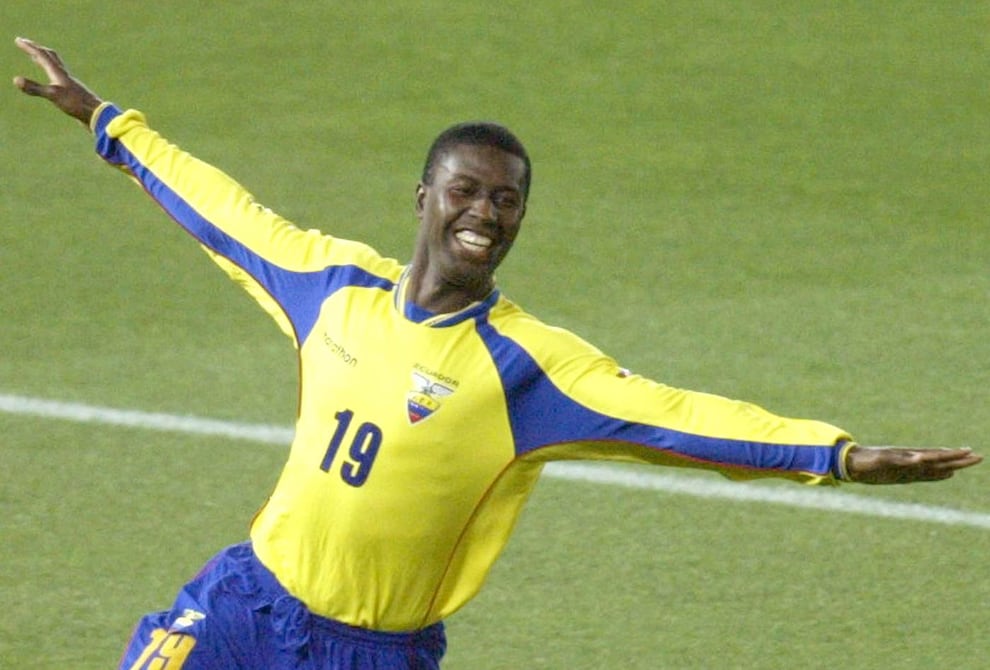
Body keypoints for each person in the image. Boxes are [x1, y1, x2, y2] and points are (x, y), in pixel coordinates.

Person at [13, 37, 982, 670]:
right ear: (423, 198)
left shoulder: (527, 368)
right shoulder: (332, 286)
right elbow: (225, 214)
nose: (486, 212)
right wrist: (109, 122)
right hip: (244, 601)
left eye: (507, 199)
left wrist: (836, 454)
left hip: (371, 653)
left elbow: (679, 418)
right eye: (467, 191)